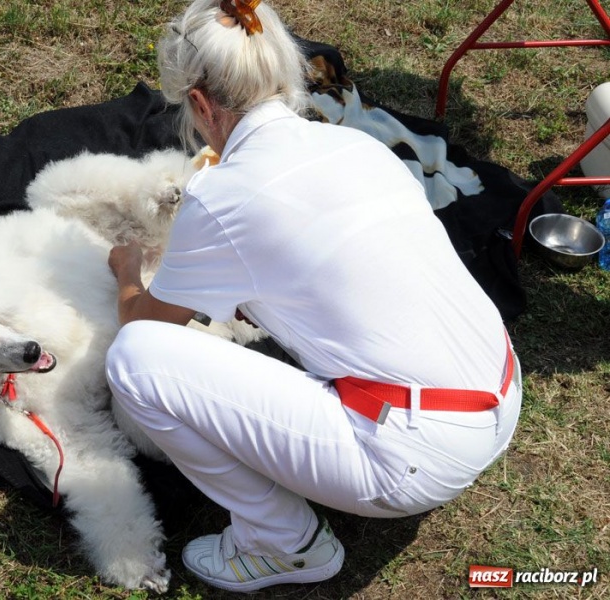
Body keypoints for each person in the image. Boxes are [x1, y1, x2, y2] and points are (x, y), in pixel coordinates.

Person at [104, 0, 522, 593]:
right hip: (498, 391)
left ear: (200, 104)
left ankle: (281, 543)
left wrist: (126, 271)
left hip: (419, 455)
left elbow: (143, 324)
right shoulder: (357, 147)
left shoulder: (221, 197)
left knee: (134, 361)